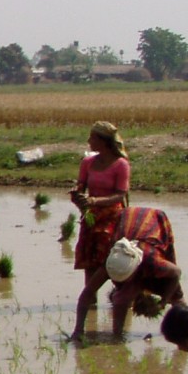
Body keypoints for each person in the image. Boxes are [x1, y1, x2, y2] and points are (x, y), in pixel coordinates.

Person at [71, 121, 131, 339]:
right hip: (91, 216)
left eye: (92, 138)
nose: (88, 141)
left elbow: (120, 195)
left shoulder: (121, 164)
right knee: (89, 259)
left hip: (112, 217)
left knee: (111, 259)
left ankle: (122, 298)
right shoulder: (88, 162)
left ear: (103, 141)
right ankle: (91, 302)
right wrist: (77, 194)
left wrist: (94, 200)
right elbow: (80, 185)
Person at [93, 206, 184, 339]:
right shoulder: (113, 263)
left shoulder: (154, 262)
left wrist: (163, 301)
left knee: (177, 296)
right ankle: (117, 334)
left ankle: (186, 332)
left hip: (154, 227)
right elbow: (87, 293)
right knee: (122, 299)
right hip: (128, 231)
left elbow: (176, 273)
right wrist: (78, 330)